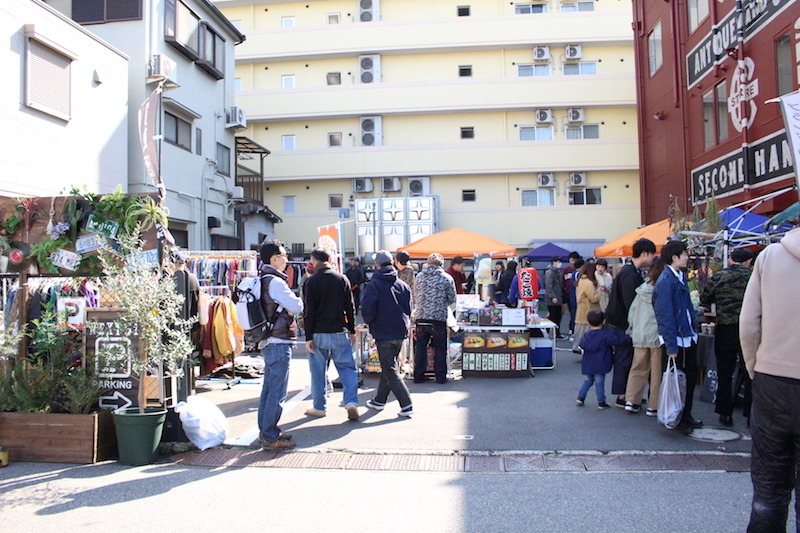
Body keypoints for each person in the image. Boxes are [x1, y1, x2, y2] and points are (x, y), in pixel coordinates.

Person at [740, 227, 800, 531]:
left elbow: (749, 323)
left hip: (773, 379)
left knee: (769, 490)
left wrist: (756, 367)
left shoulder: (771, 256)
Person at [256, 241, 304, 450]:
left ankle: (267, 430)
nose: (286, 260)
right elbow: (296, 306)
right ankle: (269, 435)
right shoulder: (276, 282)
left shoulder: (261, 279)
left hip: (268, 340)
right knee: (276, 391)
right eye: (284, 256)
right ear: (274, 258)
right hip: (279, 341)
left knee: (268, 389)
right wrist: (300, 299)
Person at [303, 248, 361, 421]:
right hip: (339, 331)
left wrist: (308, 337)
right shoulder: (342, 278)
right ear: (329, 260)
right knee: (347, 369)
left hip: (318, 332)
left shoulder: (311, 282)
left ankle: (319, 407)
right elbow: (350, 307)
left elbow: (308, 311)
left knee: (318, 371)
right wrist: (351, 329)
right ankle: (351, 401)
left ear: (314, 260)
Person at [700, 248, 754, 427]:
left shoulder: (719, 276)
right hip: (749, 328)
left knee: (725, 371)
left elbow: (705, 297)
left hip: (725, 327)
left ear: (731, 260)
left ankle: (725, 413)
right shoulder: (754, 277)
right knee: (750, 372)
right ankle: (750, 414)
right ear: (749, 261)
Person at [653, 239, 701, 433]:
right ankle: (677, 418)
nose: (687, 257)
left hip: (687, 336)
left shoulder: (679, 277)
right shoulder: (666, 281)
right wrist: (671, 346)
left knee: (688, 379)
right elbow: (665, 316)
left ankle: (686, 415)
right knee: (678, 382)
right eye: (684, 254)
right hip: (677, 340)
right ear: (675, 257)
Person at [361, 250, 414, 417]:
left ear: (377, 265)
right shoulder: (402, 285)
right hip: (400, 331)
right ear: (392, 263)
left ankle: (406, 404)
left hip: (383, 331)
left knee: (390, 369)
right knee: (389, 366)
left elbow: (368, 309)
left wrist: (370, 322)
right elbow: (409, 308)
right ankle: (379, 400)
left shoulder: (374, 284)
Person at [606, 238, 656, 408]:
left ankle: (627, 393)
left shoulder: (629, 271)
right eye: (652, 255)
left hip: (618, 321)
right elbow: (631, 302)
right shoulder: (629, 273)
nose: (652, 259)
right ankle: (622, 395)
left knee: (625, 358)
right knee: (624, 359)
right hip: (622, 323)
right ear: (645, 253)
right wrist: (634, 326)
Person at [624, 258, 666, 416]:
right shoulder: (663, 288)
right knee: (656, 372)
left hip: (640, 334)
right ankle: (653, 405)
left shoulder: (642, 288)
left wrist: (632, 328)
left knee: (638, 368)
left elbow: (632, 312)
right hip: (656, 335)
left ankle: (632, 400)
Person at [414, 252, 456, 384]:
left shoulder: (419, 277)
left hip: (421, 317)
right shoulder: (447, 278)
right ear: (441, 264)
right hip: (438, 318)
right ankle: (440, 377)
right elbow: (452, 299)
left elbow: (415, 294)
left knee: (420, 347)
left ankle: (418, 375)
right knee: (440, 347)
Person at [576, 310, 630, 409]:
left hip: (588, 364)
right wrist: (628, 338)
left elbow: (581, 345)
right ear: (604, 322)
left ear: (588, 322)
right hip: (601, 363)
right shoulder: (605, 335)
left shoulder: (586, 335)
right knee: (599, 382)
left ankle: (580, 397)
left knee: (588, 381)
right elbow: (617, 341)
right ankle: (601, 401)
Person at [572, 261, 600, 352]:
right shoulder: (589, 283)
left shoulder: (581, 280)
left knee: (580, 331)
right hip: (588, 310)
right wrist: (600, 292)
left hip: (581, 309)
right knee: (587, 332)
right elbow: (594, 298)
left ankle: (577, 347)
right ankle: (582, 349)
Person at [544, 256, 565, 339]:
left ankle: (556, 332)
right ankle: (548, 331)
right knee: (553, 316)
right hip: (552, 299)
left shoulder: (557, 272)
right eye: (557, 261)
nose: (559, 263)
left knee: (557, 316)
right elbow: (548, 286)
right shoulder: (550, 272)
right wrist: (552, 296)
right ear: (553, 262)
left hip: (558, 297)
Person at [562, 252, 582, 335]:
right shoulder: (567, 270)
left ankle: (573, 328)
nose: (573, 262)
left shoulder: (580, 271)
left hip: (577, 294)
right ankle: (572, 328)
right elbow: (563, 282)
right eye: (571, 260)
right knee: (572, 312)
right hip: (568, 293)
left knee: (575, 312)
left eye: (574, 260)